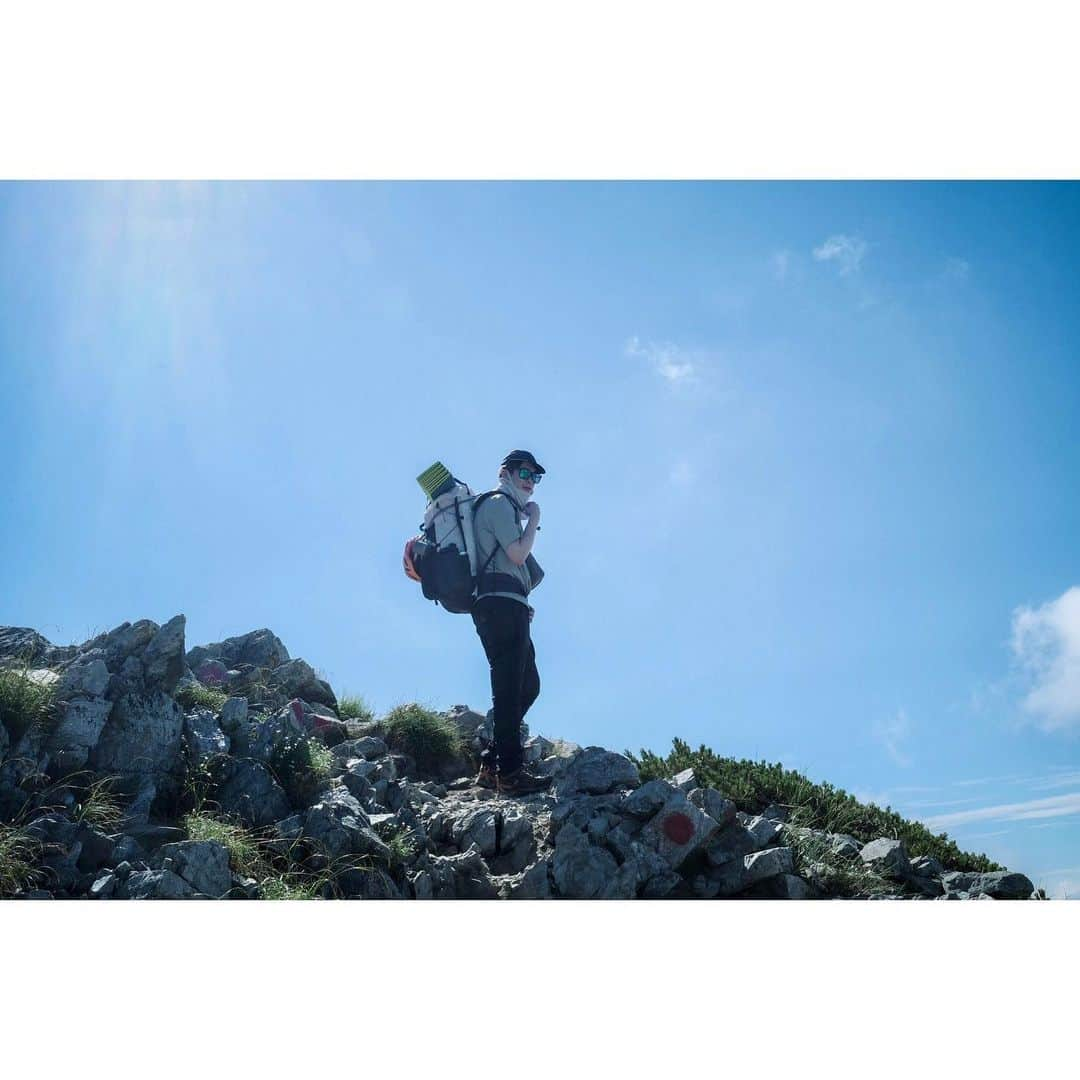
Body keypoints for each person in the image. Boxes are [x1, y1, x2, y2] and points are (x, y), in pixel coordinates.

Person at [470, 449, 552, 795]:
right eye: (524, 473)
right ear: (505, 472)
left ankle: (493, 763)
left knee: (527, 685)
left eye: (535, 477)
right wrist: (534, 518)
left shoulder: (504, 507)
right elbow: (517, 553)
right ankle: (511, 772)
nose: (530, 482)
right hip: (501, 606)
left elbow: (512, 562)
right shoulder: (498, 504)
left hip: (509, 604)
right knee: (507, 690)